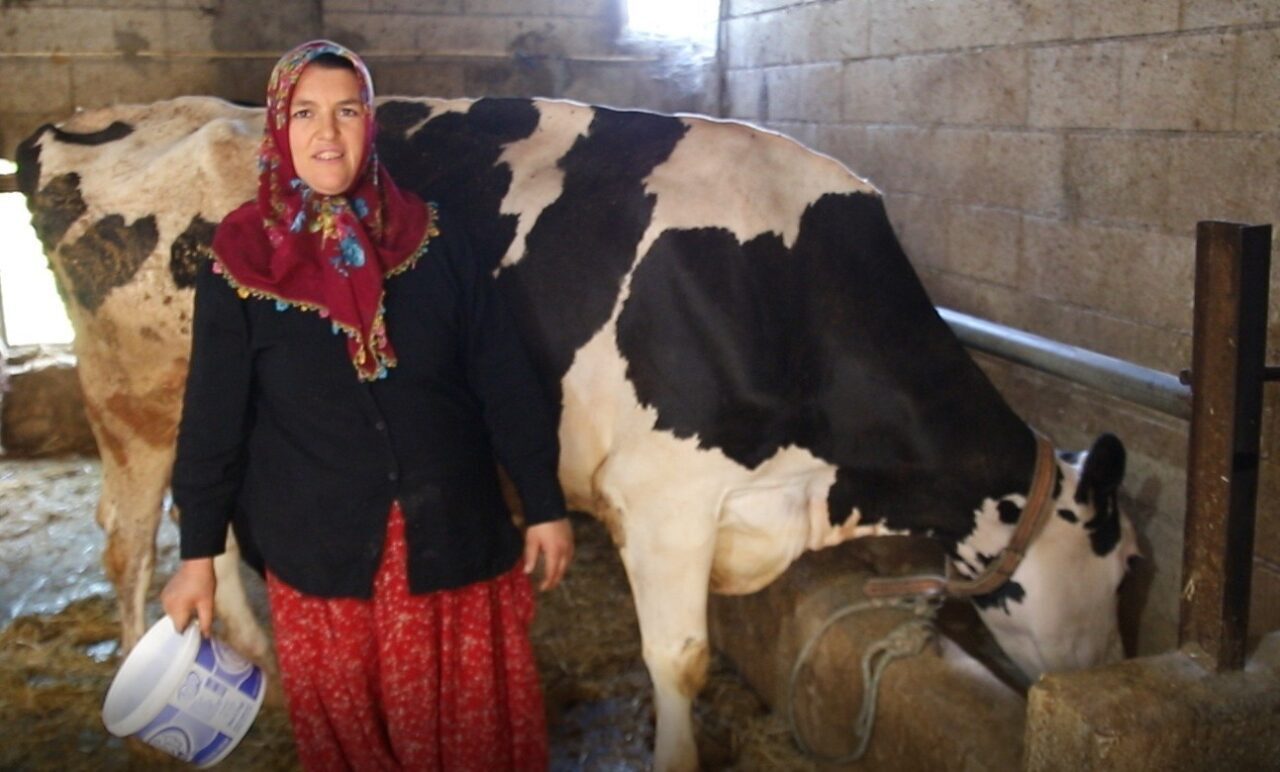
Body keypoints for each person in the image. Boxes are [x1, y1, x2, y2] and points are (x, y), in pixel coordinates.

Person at [161, 40, 573, 771]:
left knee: (470, 739)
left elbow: (503, 377)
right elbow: (213, 420)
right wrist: (197, 555)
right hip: (323, 560)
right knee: (356, 743)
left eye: (347, 111)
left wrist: (543, 501)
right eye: (307, 113)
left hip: (451, 544)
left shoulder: (434, 239)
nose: (328, 134)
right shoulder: (240, 260)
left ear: (368, 123)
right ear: (279, 129)